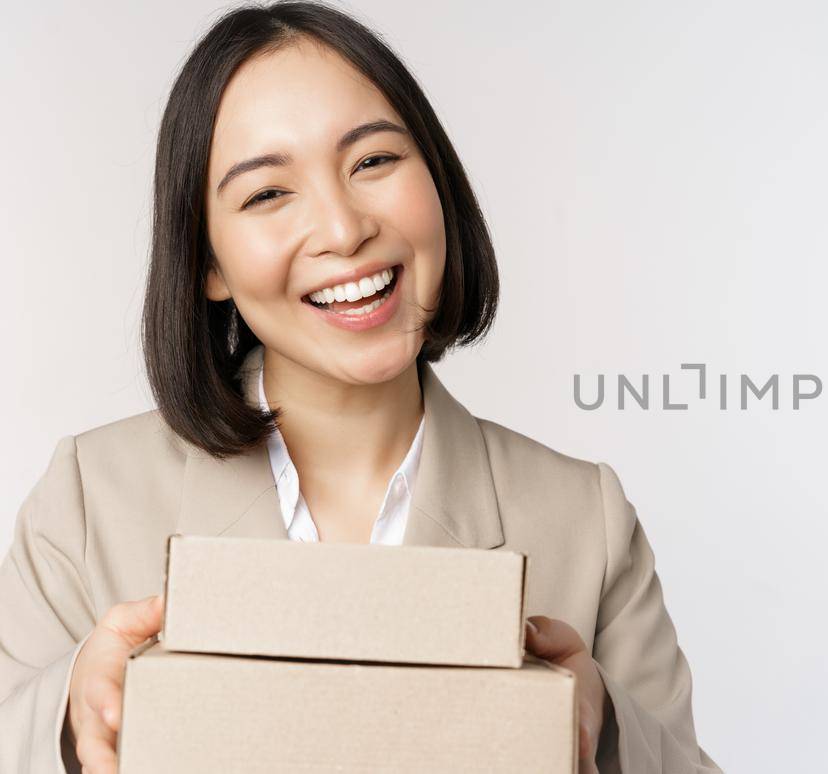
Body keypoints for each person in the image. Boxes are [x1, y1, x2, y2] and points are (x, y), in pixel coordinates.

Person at [0, 3, 721, 773]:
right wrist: (72, 723)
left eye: (373, 162)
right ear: (207, 263)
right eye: (268, 194)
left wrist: (603, 727)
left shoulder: (587, 520)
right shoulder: (88, 501)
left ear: (436, 180)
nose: (344, 230)